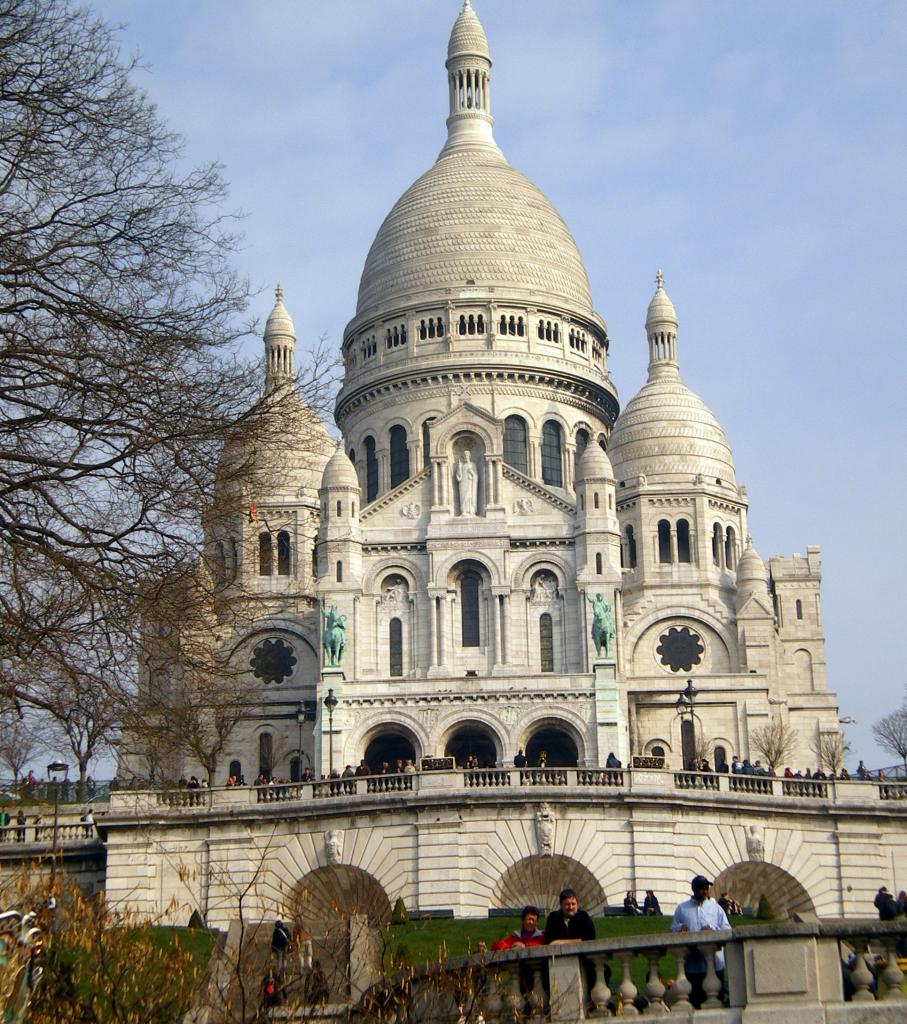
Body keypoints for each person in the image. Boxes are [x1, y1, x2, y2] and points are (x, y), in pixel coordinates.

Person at [670, 875, 731, 1008]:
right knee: (695, 1003)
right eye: (702, 888)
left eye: (706, 888)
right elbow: (673, 929)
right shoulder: (682, 909)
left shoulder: (716, 908)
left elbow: (727, 929)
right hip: (692, 965)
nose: (705, 891)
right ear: (694, 889)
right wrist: (680, 929)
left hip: (715, 964)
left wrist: (713, 930)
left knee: (717, 1003)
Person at [543, 888, 601, 996]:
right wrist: (577, 940)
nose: (570, 907)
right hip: (558, 962)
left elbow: (589, 938)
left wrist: (561, 942)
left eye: (573, 904)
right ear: (561, 905)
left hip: (584, 959)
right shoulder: (553, 918)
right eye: (567, 904)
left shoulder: (583, 917)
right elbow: (549, 941)